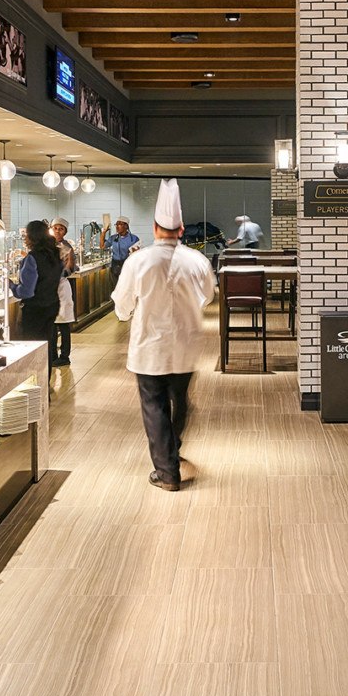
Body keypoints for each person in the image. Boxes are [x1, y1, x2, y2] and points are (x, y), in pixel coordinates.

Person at [111, 179, 216, 491]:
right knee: (180, 401)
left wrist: (125, 314)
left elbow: (122, 303)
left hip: (148, 347)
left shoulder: (138, 260)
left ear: (155, 227)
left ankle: (168, 472)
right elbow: (208, 296)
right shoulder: (197, 260)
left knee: (154, 406)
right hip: (185, 345)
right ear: (181, 229)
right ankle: (173, 450)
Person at [10, 220, 65, 343]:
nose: (25, 239)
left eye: (26, 235)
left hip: (35, 309)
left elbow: (26, 291)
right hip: (52, 304)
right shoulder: (55, 254)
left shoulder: (32, 258)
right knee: (48, 344)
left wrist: (11, 286)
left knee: (32, 346)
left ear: (33, 237)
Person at [49, 216, 77, 366]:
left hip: (62, 288)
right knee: (52, 324)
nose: (58, 231)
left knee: (64, 324)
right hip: (50, 289)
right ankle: (52, 354)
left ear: (65, 231)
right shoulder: (47, 245)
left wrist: (57, 274)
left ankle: (64, 356)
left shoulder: (67, 247)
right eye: (55, 228)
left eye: (61, 229)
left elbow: (71, 267)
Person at [105, 217, 141, 285]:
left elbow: (138, 254)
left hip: (128, 266)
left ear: (126, 226)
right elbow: (102, 246)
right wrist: (104, 232)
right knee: (115, 286)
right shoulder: (113, 238)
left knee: (127, 286)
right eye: (116, 225)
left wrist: (135, 251)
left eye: (119, 224)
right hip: (115, 266)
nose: (117, 227)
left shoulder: (134, 239)